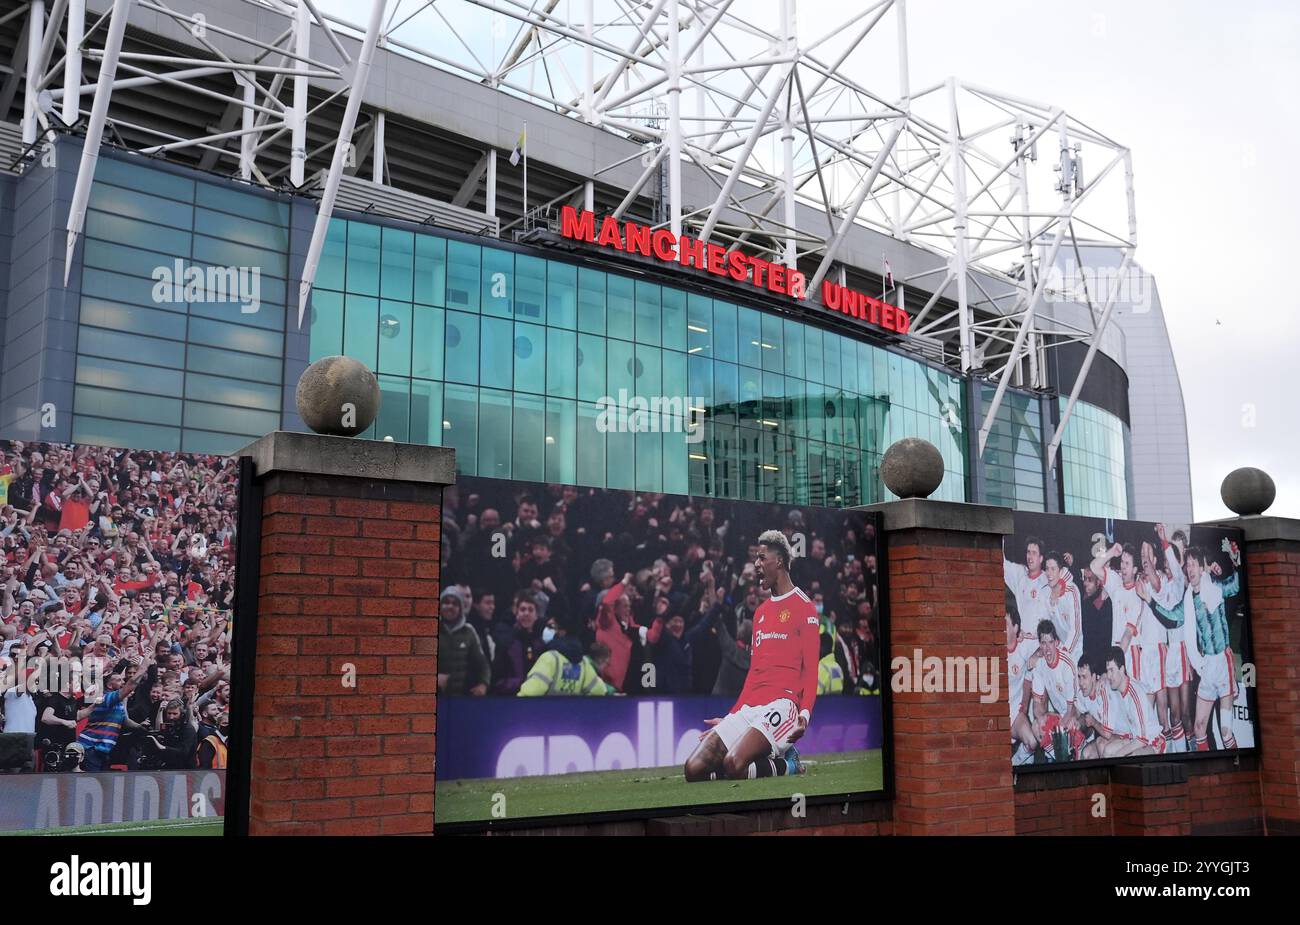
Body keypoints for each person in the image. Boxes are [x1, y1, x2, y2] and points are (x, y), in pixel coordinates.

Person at [683, 530, 818, 782]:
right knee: (694, 769)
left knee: (734, 764)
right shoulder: (761, 613)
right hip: (750, 707)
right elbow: (754, 674)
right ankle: (766, 758)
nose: (756, 564)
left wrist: (805, 714)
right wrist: (732, 714)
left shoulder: (804, 607)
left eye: (761, 558)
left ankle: (789, 764)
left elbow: (811, 671)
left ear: (778, 561)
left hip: (782, 705)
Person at [1182, 548, 1240, 752]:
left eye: (1193, 564)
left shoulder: (1214, 584)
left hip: (1223, 663)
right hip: (1207, 667)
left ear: (1201, 566)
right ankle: (1205, 775)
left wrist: (1234, 563)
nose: (1190, 569)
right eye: (1187, 565)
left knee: (1225, 731)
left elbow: (1234, 586)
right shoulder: (1188, 597)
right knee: (1199, 728)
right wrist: (1199, 665)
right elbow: (1189, 638)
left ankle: (1238, 769)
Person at [436, 588, 490, 696]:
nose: (450, 606)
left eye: (455, 603)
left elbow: (483, 665)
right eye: (446, 602)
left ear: (460, 608)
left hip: (462, 698)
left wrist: (483, 684)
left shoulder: (469, 631)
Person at [518, 642, 615, 696]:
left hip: (544, 717)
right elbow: (599, 690)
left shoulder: (550, 658)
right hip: (572, 719)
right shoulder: (584, 665)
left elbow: (532, 691)